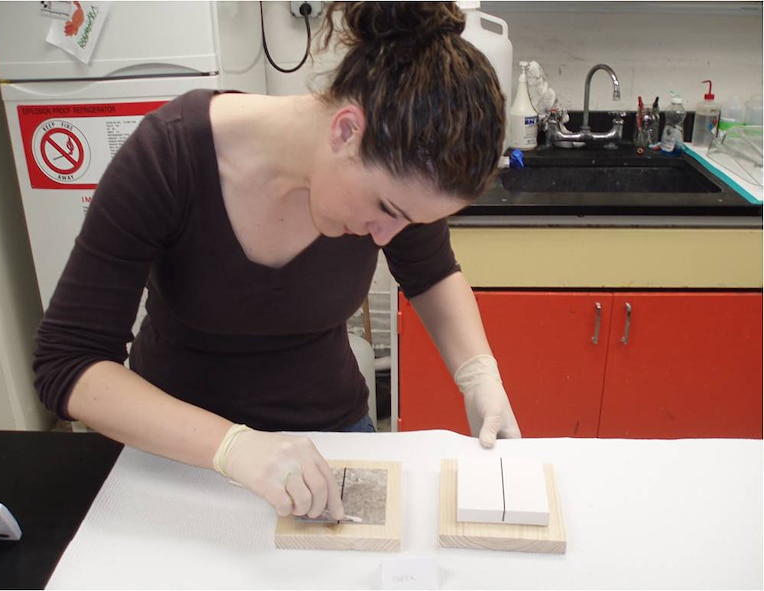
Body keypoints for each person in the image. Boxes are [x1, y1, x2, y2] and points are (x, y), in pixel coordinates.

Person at [33, 1, 521, 523]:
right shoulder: (169, 156)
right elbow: (68, 364)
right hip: (177, 447)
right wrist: (233, 448)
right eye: (387, 210)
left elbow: (430, 273)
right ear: (345, 131)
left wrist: (478, 375)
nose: (386, 237)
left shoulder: (395, 182)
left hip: (330, 437)